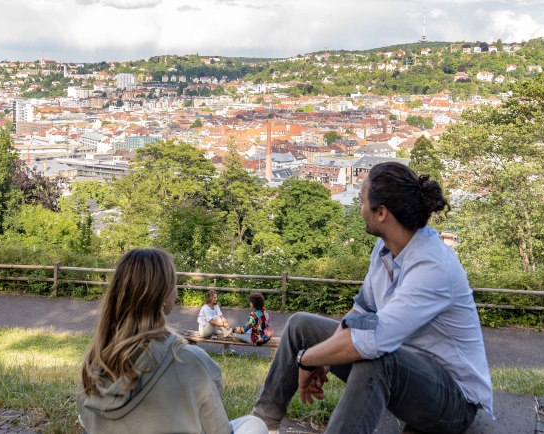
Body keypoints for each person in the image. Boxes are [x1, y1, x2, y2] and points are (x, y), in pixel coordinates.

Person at [251, 162, 494, 434]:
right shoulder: (385, 249)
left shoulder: (432, 266)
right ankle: (260, 422)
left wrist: (308, 358)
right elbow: (361, 313)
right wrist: (325, 356)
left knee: (379, 360)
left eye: (361, 201)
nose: (359, 208)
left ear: (381, 213)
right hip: (406, 372)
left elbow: (374, 341)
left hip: (454, 401)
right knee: (300, 326)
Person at [77, 248, 266, 434]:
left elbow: (87, 423)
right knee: (255, 424)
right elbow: (218, 430)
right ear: (164, 295)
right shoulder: (190, 360)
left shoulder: (93, 362)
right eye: (174, 283)